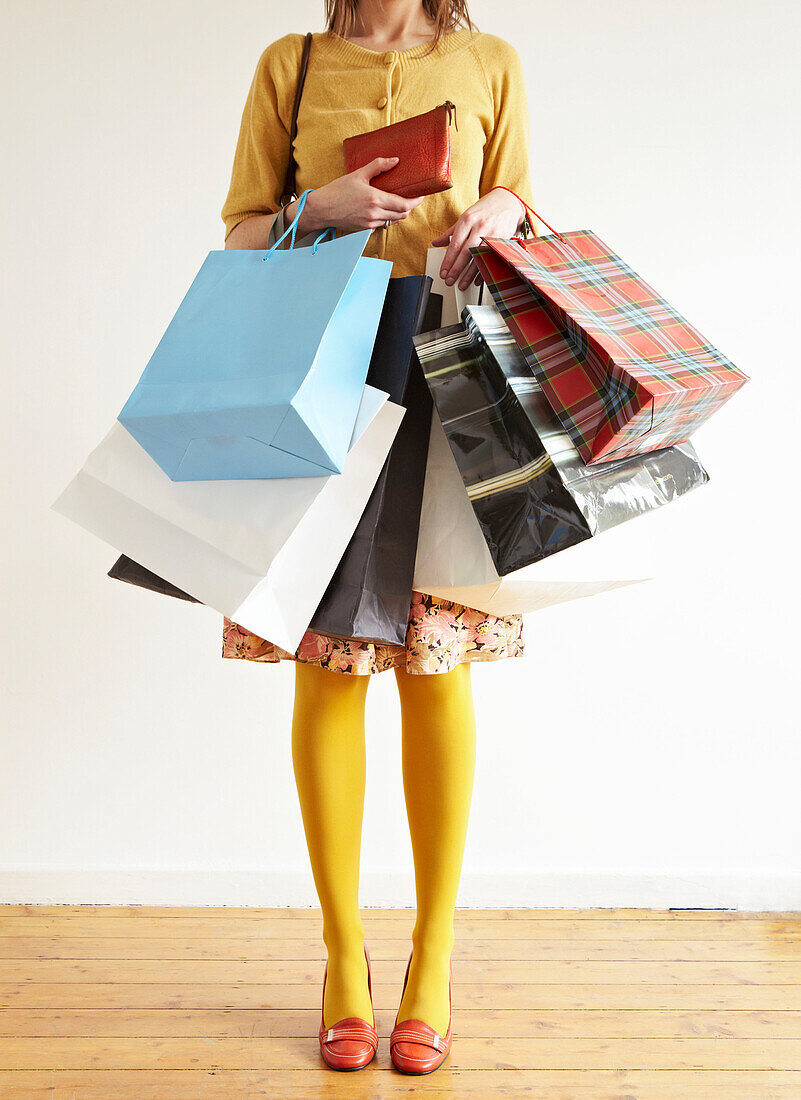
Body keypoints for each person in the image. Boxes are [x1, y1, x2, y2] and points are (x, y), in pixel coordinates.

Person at [220, 0, 534, 1074]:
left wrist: (497, 209)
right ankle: (344, 956)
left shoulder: (491, 61)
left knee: (436, 670)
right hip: (327, 368)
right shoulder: (291, 63)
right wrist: (323, 208)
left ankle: (432, 959)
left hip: (451, 362)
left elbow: (526, 203)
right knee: (330, 664)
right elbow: (240, 232)